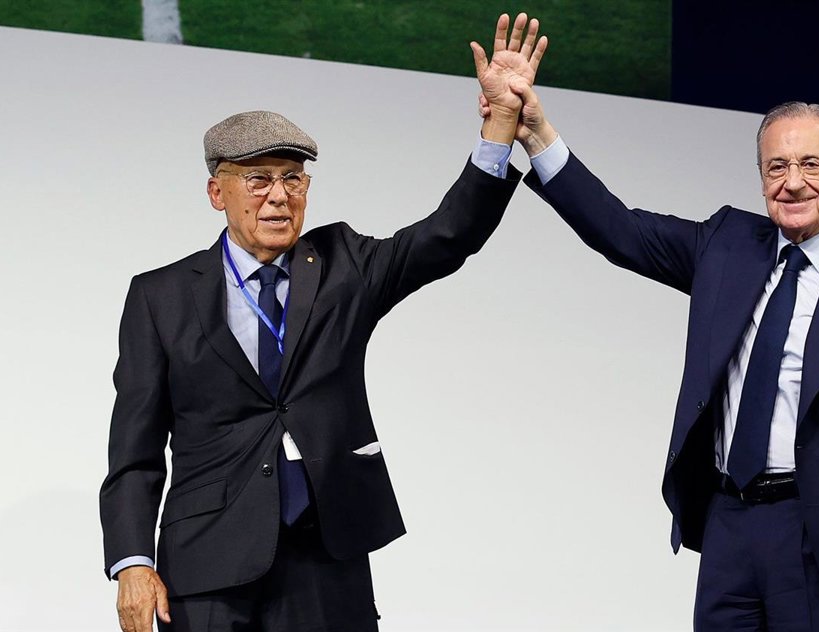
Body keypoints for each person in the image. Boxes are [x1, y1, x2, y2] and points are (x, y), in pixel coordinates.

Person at [99, 14, 546, 632]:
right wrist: (132, 562)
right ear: (216, 193)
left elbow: (447, 236)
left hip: (326, 556)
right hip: (206, 565)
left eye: (293, 178)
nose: (279, 196)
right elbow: (136, 449)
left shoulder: (343, 264)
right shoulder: (161, 296)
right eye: (258, 180)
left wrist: (499, 127)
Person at [480, 81, 819, 630]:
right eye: (776, 167)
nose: (793, 182)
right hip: (728, 524)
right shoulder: (726, 245)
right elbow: (621, 230)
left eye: (811, 165)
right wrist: (537, 134)